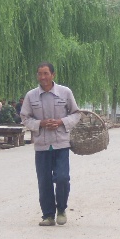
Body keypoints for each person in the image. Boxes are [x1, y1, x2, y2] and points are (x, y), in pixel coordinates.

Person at [20, 62, 81, 227]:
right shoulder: (31, 96)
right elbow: (25, 117)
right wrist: (41, 123)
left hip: (61, 143)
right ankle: (48, 215)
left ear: (53, 75)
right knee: (44, 180)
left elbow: (76, 114)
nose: (42, 77)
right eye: (40, 74)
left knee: (62, 177)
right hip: (42, 145)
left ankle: (61, 209)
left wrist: (61, 121)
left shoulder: (65, 92)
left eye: (46, 73)